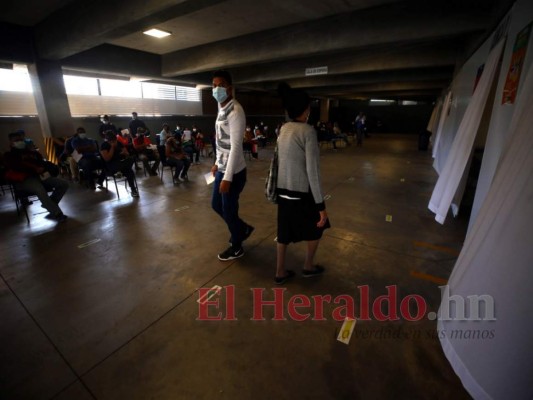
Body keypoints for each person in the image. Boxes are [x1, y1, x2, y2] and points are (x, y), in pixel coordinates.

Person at [274, 82, 330, 284]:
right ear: (305, 109)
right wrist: (321, 207)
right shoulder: (308, 132)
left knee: (283, 232)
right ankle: (308, 265)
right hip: (302, 193)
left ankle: (280, 271)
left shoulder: (283, 129)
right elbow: (312, 173)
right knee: (318, 226)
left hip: (283, 191)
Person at [210, 70, 254, 261]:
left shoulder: (235, 111)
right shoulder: (221, 108)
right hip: (222, 167)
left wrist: (227, 178)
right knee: (216, 205)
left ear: (229, 87)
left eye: (220, 85)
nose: (216, 89)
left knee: (228, 209)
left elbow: (236, 146)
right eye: (214, 85)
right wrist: (216, 163)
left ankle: (237, 246)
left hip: (234, 172)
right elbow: (221, 141)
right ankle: (242, 228)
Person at [4, 132, 69, 222]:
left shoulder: (32, 153)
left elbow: (42, 162)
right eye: (16, 140)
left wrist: (44, 167)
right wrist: (34, 169)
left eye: (21, 140)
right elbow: (16, 167)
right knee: (39, 188)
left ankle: (49, 203)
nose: (20, 142)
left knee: (63, 184)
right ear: (11, 143)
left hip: (40, 176)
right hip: (25, 180)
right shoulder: (9, 155)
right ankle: (56, 213)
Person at [100, 131, 139, 197]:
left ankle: (133, 189)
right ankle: (132, 188)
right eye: (111, 141)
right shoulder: (104, 145)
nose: (114, 142)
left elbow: (127, 153)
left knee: (130, 164)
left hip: (121, 163)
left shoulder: (119, 143)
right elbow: (107, 159)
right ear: (108, 140)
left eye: (114, 140)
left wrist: (125, 153)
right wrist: (112, 147)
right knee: (128, 169)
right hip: (111, 166)